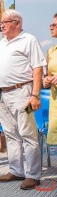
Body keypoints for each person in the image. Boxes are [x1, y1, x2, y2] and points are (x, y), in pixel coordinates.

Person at [0, 9, 45, 190]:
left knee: (27, 134)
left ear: (17, 23)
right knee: (10, 133)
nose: (2, 25)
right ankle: (16, 170)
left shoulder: (29, 40)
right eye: (1, 22)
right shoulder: (1, 43)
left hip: (22, 92)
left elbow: (37, 68)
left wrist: (35, 95)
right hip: (3, 94)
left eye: (5, 22)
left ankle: (33, 174)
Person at [44, 13, 57, 145]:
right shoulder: (51, 51)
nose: (51, 27)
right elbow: (47, 75)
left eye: (54, 25)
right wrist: (46, 80)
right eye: (51, 24)